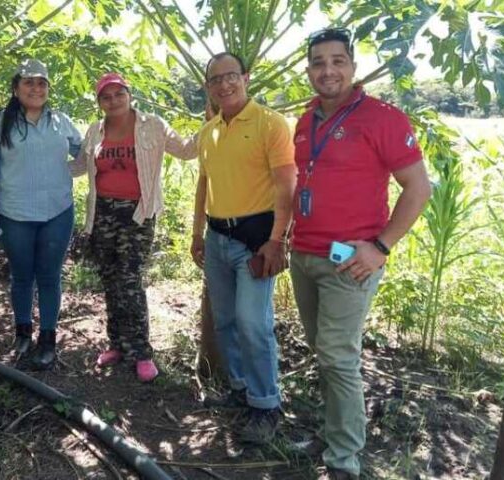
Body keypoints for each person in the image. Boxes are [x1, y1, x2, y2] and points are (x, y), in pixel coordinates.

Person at [290, 28, 431, 479]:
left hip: (351, 259)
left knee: (337, 354)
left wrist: (381, 247)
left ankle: (344, 459)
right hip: (305, 254)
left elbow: (418, 188)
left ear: (352, 65)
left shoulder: (382, 118)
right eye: (317, 62)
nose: (327, 70)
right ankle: (335, 433)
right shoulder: (306, 118)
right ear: (308, 68)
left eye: (337, 61)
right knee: (322, 350)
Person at [190, 52, 297, 444]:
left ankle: (267, 405)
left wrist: (277, 240)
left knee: (253, 323)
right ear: (208, 87)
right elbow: (205, 184)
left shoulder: (270, 123)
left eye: (230, 76)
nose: (224, 84)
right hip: (217, 239)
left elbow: (286, 184)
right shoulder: (210, 130)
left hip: (256, 240)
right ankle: (240, 389)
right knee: (226, 321)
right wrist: (197, 233)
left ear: (246, 77)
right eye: (215, 79)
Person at [75, 72, 197, 382]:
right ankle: (117, 344)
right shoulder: (94, 131)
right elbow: (78, 167)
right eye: (106, 96)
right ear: (99, 102)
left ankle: (142, 352)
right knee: (110, 279)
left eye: (119, 94)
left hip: (137, 214)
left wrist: (214, 123)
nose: (113, 100)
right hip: (102, 212)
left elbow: (185, 150)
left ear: (130, 95)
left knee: (129, 280)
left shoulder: (152, 125)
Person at [0, 59, 82, 370]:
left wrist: (76, 168)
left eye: (42, 83)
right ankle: (22, 332)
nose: (36, 88)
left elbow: (86, 152)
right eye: (29, 82)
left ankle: (48, 339)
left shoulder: (61, 121)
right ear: (16, 87)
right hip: (14, 213)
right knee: (22, 275)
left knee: (49, 276)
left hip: (57, 212)